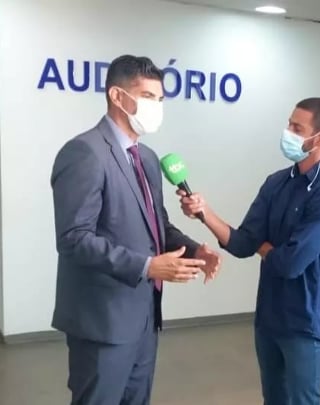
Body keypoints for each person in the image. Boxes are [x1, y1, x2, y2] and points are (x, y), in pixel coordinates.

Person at [50, 54, 222, 405]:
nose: (156, 106)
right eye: (147, 97)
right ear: (117, 96)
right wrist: (147, 266)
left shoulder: (148, 159)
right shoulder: (84, 152)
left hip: (144, 318)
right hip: (102, 321)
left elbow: (157, 225)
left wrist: (195, 251)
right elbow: (74, 239)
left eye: (160, 99)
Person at [177, 98, 320, 405]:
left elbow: (290, 263)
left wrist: (260, 244)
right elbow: (243, 243)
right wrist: (204, 213)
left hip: (305, 322)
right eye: (289, 124)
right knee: (273, 399)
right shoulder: (277, 183)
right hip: (269, 317)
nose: (287, 132)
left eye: (296, 128)